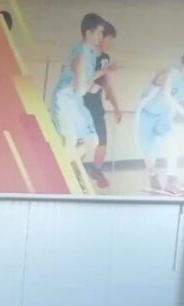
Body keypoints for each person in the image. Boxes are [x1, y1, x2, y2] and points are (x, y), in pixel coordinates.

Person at [50, 13, 106, 176]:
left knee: (90, 140)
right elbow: (80, 87)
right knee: (77, 140)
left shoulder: (89, 53)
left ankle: (62, 170)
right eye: (99, 32)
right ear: (88, 32)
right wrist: (88, 87)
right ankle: (59, 171)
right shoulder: (81, 53)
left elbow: (84, 81)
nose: (101, 36)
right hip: (65, 99)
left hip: (74, 99)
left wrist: (104, 72)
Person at [137, 51, 184, 194]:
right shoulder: (171, 73)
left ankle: (172, 180)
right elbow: (167, 96)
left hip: (163, 116)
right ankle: (153, 178)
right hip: (146, 114)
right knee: (149, 152)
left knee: (173, 140)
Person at [83, 21, 122, 188]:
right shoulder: (87, 54)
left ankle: (96, 169)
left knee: (102, 140)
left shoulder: (105, 58)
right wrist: (106, 70)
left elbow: (107, 84)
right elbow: (84, 77)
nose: (110, 43)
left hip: (95, 101)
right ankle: (72, 167)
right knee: (82, 139)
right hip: (81, 100)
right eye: (109, 39)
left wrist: (116, 107)